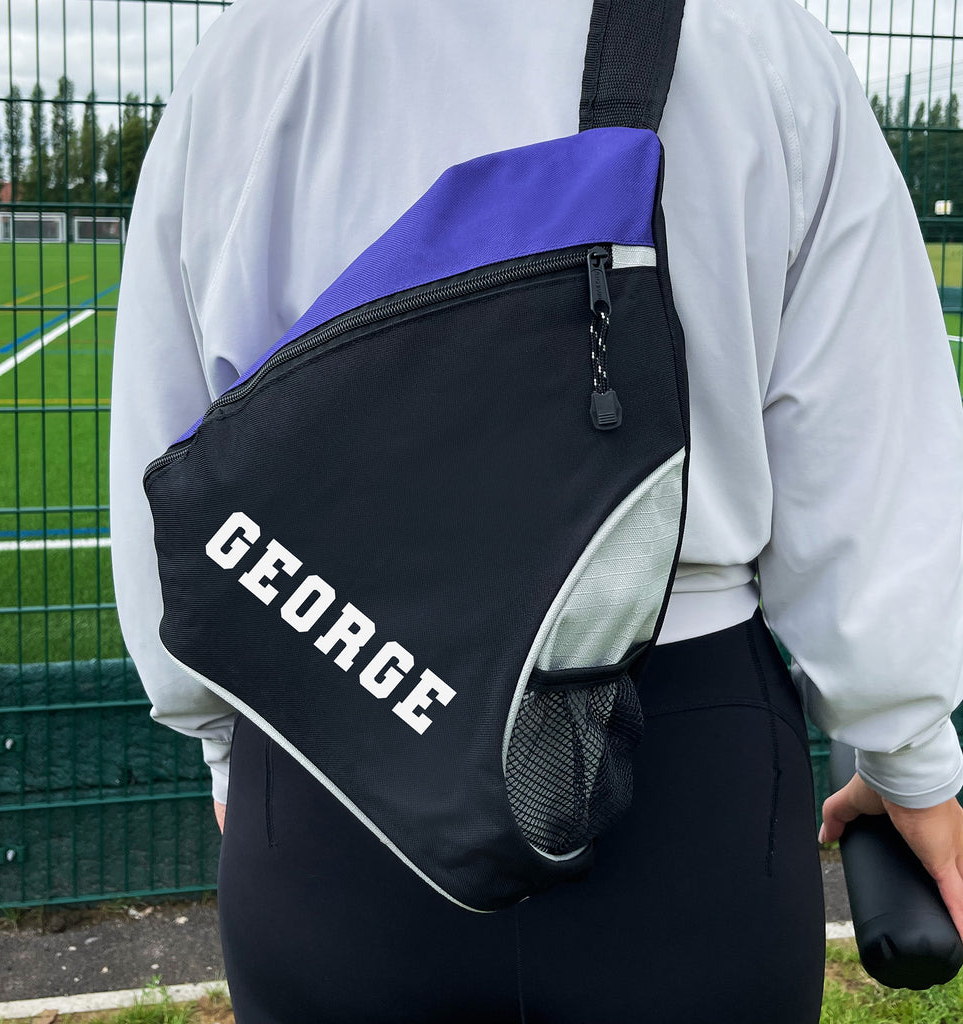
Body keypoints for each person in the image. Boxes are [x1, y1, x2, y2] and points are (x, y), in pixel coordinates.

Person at [110, 0, 963, 1020]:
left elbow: (167, 466)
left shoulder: (252, 51)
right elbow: (864, 450)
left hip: (325, 729)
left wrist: (219, 740)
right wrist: (908, 758)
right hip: (686, 771)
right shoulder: (760, 37)